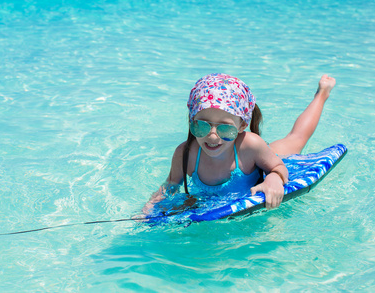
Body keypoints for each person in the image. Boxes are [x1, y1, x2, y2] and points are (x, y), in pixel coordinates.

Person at [140, 73, 336, 216]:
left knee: (296, 138)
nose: (213, 136)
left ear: (242, 125)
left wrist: (274, 179)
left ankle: (322, 94)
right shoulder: (186, 153)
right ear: (191, 120)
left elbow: (278, 167)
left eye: (225, 128)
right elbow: (171, 185)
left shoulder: (251, 145)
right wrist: (150, 207)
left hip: (254, 156)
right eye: (202, 125)